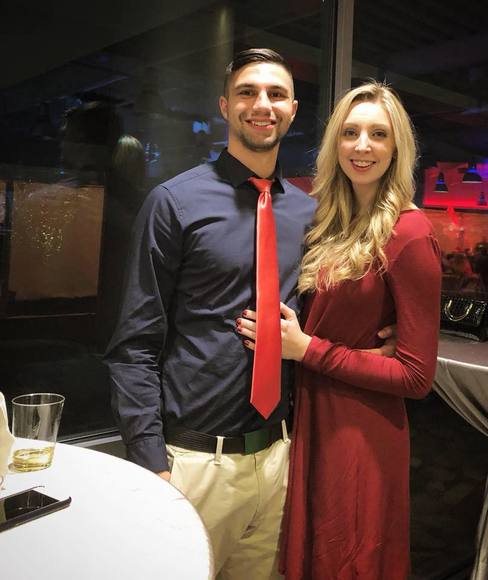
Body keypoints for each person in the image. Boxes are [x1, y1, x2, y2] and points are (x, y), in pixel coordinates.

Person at [105, 49, 394, 578]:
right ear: (224, 106)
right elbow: (134, 345)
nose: (262, 104)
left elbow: (324, 312)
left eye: (276, 94)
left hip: (280, 458)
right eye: (247, 92)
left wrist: (382, 336)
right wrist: (152, 462)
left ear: (292, 109)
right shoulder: (174, 203)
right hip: (194, 464)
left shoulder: (311, 214)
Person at [239, 81, 442, 579]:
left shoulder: (411, 234)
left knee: (347, 559)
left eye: (378, 134)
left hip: (361, 434)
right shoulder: (330, 220)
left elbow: (417, 377)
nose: (362, 146)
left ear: (397, 149)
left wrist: (307, 349)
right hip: (315, 418)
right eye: (350, 133)